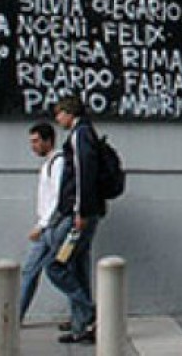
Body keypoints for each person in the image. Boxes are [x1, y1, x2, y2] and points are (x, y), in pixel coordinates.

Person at [45, 96, 107, 344]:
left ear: (69, 112)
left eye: (59, 113)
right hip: (84, 212)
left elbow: (83, 174)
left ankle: (90, 311)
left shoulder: (80, 135)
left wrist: (80, 211)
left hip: (79, 216)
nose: (57, 118)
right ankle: (82, 327)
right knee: (78, 266)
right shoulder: (85, 132)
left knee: (55, 265)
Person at [19, 122, 64, 322]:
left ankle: (86, 311)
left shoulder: (58, 163)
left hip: (51, 228)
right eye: (32, 141)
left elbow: (57, 198)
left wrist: (42, 225)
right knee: (33, 270)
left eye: (36, 141)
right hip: (47, 226)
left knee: (42, 270)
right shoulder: (49, 163)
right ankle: (84, 313)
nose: (33, 146)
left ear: (49, 140)